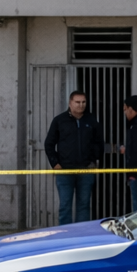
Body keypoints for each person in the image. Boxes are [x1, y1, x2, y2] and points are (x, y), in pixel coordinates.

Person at [44, 90, 104, 225]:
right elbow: (49, 144)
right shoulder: (59, 120)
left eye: (83, 102)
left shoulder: (91, 120)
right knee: (65, 206)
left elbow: (99, 143)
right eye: (77, 102)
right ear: (70, 103)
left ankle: (81, 237)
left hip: (86, 170)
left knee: (84, 205)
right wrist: (55, 163)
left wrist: (94, 160)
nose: (81, 105)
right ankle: (65, 237)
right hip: (65, 171)